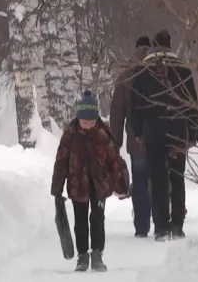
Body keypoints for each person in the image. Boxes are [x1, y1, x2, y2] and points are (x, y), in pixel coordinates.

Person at [130, 30, 198, 241]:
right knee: (177, 178)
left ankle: (161, 227)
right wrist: (193, 130)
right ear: (170, 46)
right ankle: (178, 225)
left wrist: (138, 131)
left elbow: (137, 104)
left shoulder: (143, 73)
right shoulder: (184, 71)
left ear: (154, 47)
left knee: (159, 178)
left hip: (153, 132)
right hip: (178, 132)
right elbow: (193, 106)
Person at [50, 90, 129, 272]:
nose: (88, 125)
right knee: (80, 222)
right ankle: (82, 256)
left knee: (97, 219)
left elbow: (114, 161)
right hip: (78, 186)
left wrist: (121, 185)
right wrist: (57, 188)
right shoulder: (70, 135)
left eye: (92, 121)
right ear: (78, 118)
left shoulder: (104, 134)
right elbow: (61, 162)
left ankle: (97, 254)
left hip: (100, 185)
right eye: (85, 122)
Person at [110, 36, 152, 238]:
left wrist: (115, 142)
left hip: (136, 141)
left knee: (140, 180)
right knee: (160, 178)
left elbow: (117, 113)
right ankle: (162, 221)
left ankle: (142, 226)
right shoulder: (159, 73)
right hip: (159, 137)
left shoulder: (125, 77)